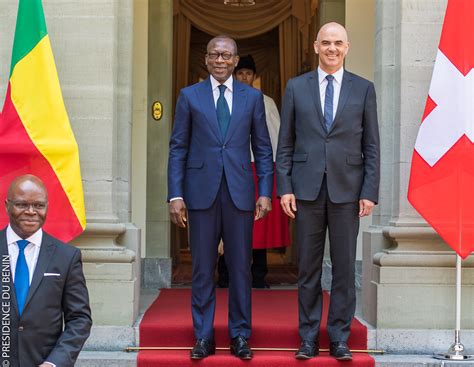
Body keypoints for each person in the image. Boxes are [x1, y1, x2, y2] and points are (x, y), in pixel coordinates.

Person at [276, 22, 380, 361]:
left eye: (338, 43)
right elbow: (286, 143)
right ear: (316, 47)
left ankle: (339, 337)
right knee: (307, 269)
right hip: (305, 192)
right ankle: (308, 337)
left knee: (345, 269)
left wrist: (370, 191)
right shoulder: (296, 87)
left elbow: (372, 145)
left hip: (348, 192)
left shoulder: (363, 89)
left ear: (347, 47)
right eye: (326, 43)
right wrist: (285, 187)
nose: (332, 48)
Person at [167, 36, 273, 360]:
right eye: (214, 54)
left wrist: (265, 192)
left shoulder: (252, 98)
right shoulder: (189, 97)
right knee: (202, 268)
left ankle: (240, 335)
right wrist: (175, 194)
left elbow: (264, 148)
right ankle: (203, 336)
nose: (220, 59)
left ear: (236, 59)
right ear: (206, 58)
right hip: (200, 193)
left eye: (227, 55)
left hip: (240, 193)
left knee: (240, 268)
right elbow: (178, 148)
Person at [0, 174, 92, 367]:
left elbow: (79, 319)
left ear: (47, 207)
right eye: (22, 205)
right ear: (7, 205)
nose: (31, 211)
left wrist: (55, 362)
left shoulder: (66, 256)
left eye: (39, 205)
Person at [218, 55, 291, 289]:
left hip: (258, 168)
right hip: (231, 168)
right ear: (234, 74)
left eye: (248, 73)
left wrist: (274, 168)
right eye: (240, 73)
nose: (244, 77)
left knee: (259, 226)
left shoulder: (266, 101)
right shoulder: (224, 99)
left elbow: (277, 136)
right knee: (228, 221)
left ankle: (258, 275)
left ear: (254, 76)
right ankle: (225, 275)